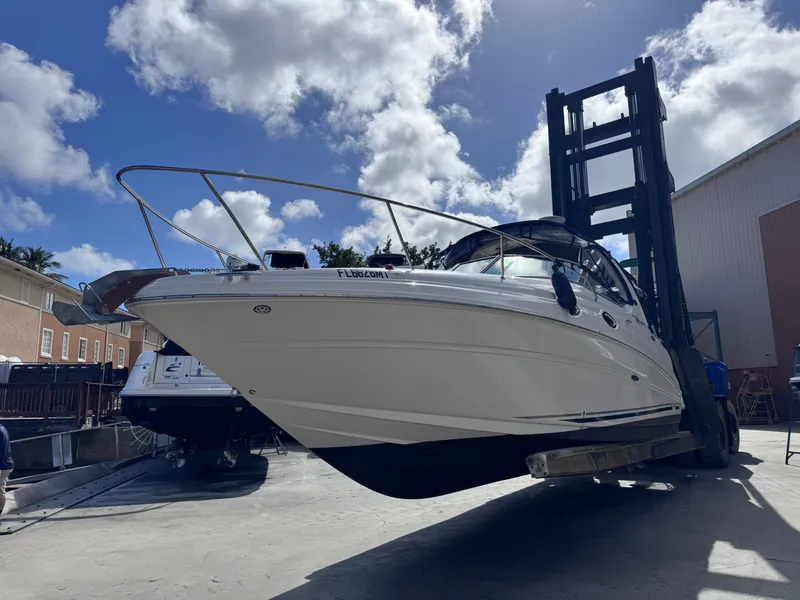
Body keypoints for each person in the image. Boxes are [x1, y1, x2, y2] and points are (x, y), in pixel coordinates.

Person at [0, 423, 13, 515]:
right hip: (6, 464)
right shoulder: (2, 428)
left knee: (0, 491)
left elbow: (2, 452)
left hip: (3, 466)